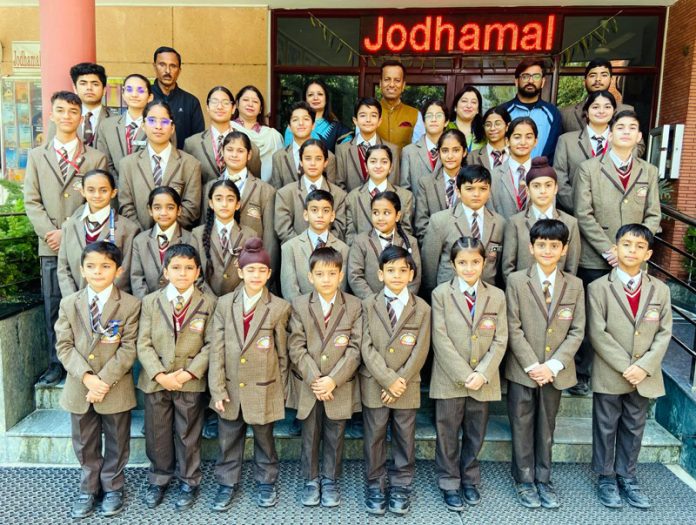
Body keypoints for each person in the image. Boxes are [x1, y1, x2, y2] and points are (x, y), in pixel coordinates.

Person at [572, 110, 661, 396]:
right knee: (592, 318)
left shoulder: (649, 172)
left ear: (638, 137)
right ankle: (583, 373)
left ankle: (628, 368)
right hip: (597, 255)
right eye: (619, 127)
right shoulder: (588, 168)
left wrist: (634, 247)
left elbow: (653, 215)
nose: (625, 131)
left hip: (634, 258)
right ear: (609, 135)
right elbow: (583, 214)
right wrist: (610, 249)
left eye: (631, 128)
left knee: (628, 318)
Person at [24, 90, 108, 386]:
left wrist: (69, 229)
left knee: (89, 303)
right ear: (52, 115)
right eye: (61, 111)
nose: (66, 117)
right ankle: (55, 363)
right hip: (49, 245)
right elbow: (31, 200)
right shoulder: (37, 156)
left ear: (81, 117)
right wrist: (50, 232)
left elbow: (98, 198)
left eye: (73, 112)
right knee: (54, 304)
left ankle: (88, 359)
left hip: (85, 244)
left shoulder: (95, 157)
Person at [588, 224, 672, 510]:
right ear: (615, 248)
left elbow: (664, 333)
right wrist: (626, 365)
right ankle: (605, 477)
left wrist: (644, 366)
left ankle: (627, 475)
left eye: (639, 246)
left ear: (648, 253)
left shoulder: (660, 290)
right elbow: (597, 332)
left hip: (644, 374)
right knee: (605, 424)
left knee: (635, 425)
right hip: (612, 370)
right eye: (626, 244)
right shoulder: (599, 288)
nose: (632, 250)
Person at [55, 242, 140, 519]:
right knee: (84, 441)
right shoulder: (69, 304)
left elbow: (129, 348)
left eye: (105, 266)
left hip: (114, 387)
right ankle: (89, 488)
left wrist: (103, 381)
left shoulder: (130, 304)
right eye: (90, 266)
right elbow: (64, 347)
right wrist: (89, 378)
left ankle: (113, 487)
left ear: (118, 270)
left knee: (117, 439)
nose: (97, 271)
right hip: (80, 386)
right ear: (81, 269)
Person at [505, 219, 585, 509]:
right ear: (531, 247)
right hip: (523, 370)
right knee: (522, 423)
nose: (548, 250)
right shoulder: (516, 281)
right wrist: (532, 365)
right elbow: (512, 327)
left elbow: (577, 330)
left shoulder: (574, 285)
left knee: (546, 426)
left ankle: (544, 478)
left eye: (554, 245)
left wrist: (553, 365)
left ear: (564, 249)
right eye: (542, 245)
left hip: (555, 372)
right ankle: (524, 479)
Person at [208, 238, 291, 510]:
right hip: (230, 387)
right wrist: (218, 389)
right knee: (228, 438)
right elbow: (217, 349)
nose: (256, 275)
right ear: (240, 272)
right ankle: (226, 482)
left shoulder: (278, 307)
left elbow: (282, 354)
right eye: (250, 270)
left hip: (263, 386)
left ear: (269, 274)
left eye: (261, 271)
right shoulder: (224, 304)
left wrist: (280, 391)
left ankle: (266, 480)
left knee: (264, 438)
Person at [430, 237, 507, 511]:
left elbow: (500, 339)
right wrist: (465, 374)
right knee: (448, 432)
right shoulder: (440, 294)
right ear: (453, 264)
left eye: (475, 262)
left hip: (483, 380)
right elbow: (440, 338)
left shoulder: (496, 295)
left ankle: (469, 478)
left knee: (476, 432)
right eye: (462, 262)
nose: (469, 267)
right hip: (450, 378)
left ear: (484, 262)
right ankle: (449, 481)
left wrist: (483, 373)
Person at [137, 243, 215, 511]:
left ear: (198, 272)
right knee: (157, 433)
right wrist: (159, 374)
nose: (182, 273)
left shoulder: (209, 303)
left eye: (189, 268)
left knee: (188, 433)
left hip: (189, 380)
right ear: (165, 271)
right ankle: (159, 479)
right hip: (156, 381)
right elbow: (143, 343)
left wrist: (188, 373)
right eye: (176, 268)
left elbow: (211, 344)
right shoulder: (150, 302)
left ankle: (189, 480)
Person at [288, 247, 363, 508]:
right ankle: (310, 479)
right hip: (310, 384)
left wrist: (333, 380)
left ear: (341, 275)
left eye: (332, 273)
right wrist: (316, 379)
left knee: (335, 434)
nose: (326, 279)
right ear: (310, 277)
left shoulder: (354, 306)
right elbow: (296, 347)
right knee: (310, 433)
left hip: (339, 385)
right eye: (320, 274)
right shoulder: (299, 305)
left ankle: (330, 479)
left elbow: (355, 348)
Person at [361, 246, 431, 516]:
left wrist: (400, 380)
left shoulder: (421, 308)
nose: (397, 275)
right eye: (390, 270)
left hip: (407, 385)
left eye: (403, 270)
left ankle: (401, 484)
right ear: (380, 274)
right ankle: (375, 483)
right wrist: (388, 379)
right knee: (375, 435)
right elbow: (366, 346)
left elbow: (420, 349)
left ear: (412, 274)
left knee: (404, 436)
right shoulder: (368, 305)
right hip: (375, 383)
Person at [421, 165, 505, 298]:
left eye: (483, 189)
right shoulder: (440, 221)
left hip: (486, 297)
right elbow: (429, 268)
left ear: (489, 191)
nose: (476, 194)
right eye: (469, 189)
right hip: (449, 296)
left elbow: (498, 264)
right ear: (458, 191)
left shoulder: (500, 223)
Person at [200, 132, 278, 275]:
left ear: (249, 155)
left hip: (252, 271)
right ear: (222, 152)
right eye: (230, 150)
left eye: (240, 151)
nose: (234, 155)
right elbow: (204, 228)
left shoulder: (265, 190)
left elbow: (270, 240)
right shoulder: (208, 188)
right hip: (215, 270)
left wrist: (266, 277)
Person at [118, 100, 202, 230]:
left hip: (177, 240)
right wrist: (145, 237)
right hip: (139, 239)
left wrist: (165, 231)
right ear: (143, 126)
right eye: (152, 121)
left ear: (172, 128)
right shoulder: (127, 164)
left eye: (164, 121)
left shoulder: (190, 164)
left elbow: (192, 208)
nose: (158, 126)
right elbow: (126, 206)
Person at [57, 169, 139, 296]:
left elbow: (126, 270)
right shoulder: (69, 226)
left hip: (113, 302)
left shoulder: (128, 229)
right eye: (91, 190)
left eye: (103, 190)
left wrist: (106, 298)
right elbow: (63, 268)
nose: (97, 195)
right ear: (82, 191)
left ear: (113, 193)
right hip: (76, 302)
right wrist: (73, 300)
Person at [502, 157, 580, 282]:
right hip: (523, 293)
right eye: (536, 186)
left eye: (548, 185)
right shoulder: (516, 222)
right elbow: (508, 268)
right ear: (527, 190)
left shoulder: (570, 222)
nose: (543, 191)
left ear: (555, 189)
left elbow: (571, 267)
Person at [347, 191, 420, 299]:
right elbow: (355, 276)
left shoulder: (410, 242)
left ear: (397, 216)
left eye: (386, 213)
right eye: (376, 213)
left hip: (402, 305)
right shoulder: (361, 241)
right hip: (371, 305)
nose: (380, 218)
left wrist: (401, 300)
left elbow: (415, 278)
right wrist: (374, 302)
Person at [280, 189, 349, 301]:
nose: (320, 215)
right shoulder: (290, 248)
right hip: (301, 313)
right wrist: (304, 311)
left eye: (326, 211)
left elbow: (341, 287)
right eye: (314, 210)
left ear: (332, 216)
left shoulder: (343, 249)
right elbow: (290, 290)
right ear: (306, 214)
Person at [183, 86, 261, 184]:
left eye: (225, 103)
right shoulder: (192, 144)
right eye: (214, 102)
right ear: (207, 107)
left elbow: (254, 184)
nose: (220, 107)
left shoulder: (249, 146)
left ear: (233, 108)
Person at [554, 90, 616, 213]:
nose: (601, 111)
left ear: (614, 111)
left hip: (611, 214)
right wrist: (580, 207)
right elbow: (559, 179)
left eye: (607, 107)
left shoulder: (623, 142)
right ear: (586, 112)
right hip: (575, 213)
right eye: (595, 107)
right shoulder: (566, 140)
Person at [192, 180, 256, 297]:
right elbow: (194, 272)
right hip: (206, 300)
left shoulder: (250, 235)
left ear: (237, 204)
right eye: (219, 199)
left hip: (238, 300)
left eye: (230, 199)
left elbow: (253, 271)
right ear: (211, 203)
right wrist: (211, 299)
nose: (224, 204)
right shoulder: (197, 234)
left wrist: (232, 299)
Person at [275, 139, 347, 243]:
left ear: (326, 162)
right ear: (301, 161)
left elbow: (339, 229)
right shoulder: (285, 194)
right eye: (307, 158)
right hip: (296, 254)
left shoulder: (339, 195)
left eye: (318, 159)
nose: (313, 163)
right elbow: (283, 229)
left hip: (328, 254)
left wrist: (320, 246)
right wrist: (304, 247)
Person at [130, 186, 192, 299]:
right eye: (157, 208)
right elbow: (137, 278)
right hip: (148, 306)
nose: (163, 212)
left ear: (179, 210)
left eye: (170, 207)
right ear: (150, 210)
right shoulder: (140, 241)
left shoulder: (190, 239)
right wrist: (147, 305)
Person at [346, 145, 413, 245]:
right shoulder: (352, 197)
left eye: (384, 162)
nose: (378, 166)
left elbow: (405, 232)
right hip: (363, 256)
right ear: (366, 166)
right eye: (373, 161)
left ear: (390, 167)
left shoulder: (405, 196)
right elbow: (350, 235)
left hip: (394, 256)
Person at [499, 59, 562, 162]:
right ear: (516, 81)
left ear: (543, 82)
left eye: (536, 76)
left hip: (541, 175)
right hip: (507, 174)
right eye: (525, 76)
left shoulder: (553, 113)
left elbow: (554, 149)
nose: (531, 81)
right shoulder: (503, 111)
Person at [414, 129, 469, 243]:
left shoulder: (472, 182)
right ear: (438, 153)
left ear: (464, 152)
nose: (450, 156)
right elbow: (421, 224)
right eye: (445, 151)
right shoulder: (426, 183)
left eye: (456, 150)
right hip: (434, 247)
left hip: (466, 249)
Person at [96, 73, 156, 177]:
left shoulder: (159, 126)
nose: (134, 94)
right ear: (123, 94)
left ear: (150, 97)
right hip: (115, 188)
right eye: (129, 89)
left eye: (141, 90)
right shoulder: (107, 126)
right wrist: (119, 186)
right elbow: (104, 162)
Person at [336, 97, 400, 192]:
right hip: (352, 205)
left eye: (373, 115)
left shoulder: (393, 150)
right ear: (355, 120)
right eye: (363, 115)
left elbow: (393, 185)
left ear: (379, 121)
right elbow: (339, 185)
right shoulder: (343, 149)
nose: (368, 120)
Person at [560, 58, 636, 133]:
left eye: (604, 75)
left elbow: (638, 145)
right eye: (592, 75)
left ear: (611, 80)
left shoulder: (626, 110)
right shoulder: (566, 114)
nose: (598, 79)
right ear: (584, 81)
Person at [272, 101, 337, 188]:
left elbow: (331, 190)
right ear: (289, 127)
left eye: (306, 119)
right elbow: (277, 191)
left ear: (313, 125)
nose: (301, 123)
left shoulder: (329, 156)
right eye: (295, 120)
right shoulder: (278, 157)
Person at [46, 63, 112, 147]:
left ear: (104, 90)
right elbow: (49, 151)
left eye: (95, 84)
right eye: (83, 83)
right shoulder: (61, 118)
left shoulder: (114, 120)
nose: (89, 88)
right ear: (75, 88)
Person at [151, 46, 205, 149]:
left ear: (179, 70)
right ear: (154, 66)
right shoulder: (145, 97)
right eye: (162, 65)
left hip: (182, 162)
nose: (167, 70)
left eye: (173, 66)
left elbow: (197, 141)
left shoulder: (191, 102)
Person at [231, 85, 284, 183]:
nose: (250, 104)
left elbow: (279, 169)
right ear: (237, 104)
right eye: (246, 100)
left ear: (260, 109)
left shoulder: (273, 135)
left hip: (264, 191)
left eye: (255, 101)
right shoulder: (228, 129)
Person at [283, 79, 352, 152]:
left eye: (320, 94)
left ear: (326, 98)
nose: (315, 98)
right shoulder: (294, 126)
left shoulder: (339, 130)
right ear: (305, 99)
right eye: (310, 95)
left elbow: (345, 158)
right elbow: (288, 158)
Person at [490, 117, 538, 219]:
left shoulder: (544, 175)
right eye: (517, 137)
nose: (523, 142)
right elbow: (490, 216)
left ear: (535, 142)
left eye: (529, 137)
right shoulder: (493, 176)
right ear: (507, 141)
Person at [400, 99, 448, 194]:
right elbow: (405, 190)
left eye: (438, 115)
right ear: (423, 121)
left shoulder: (454, 150)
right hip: (417, 208)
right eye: (429, 116)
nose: (433, 119)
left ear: (446, 122)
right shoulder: (409, 151)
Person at [376, 60, 425, 148]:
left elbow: (419, 150)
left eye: (397, 80)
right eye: (387, 79)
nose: (391, 84)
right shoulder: (368, 113)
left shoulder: (415, 115)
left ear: (403, 85)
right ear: (380, 83)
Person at [469, 107, 511, 172]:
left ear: (507, 126)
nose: (492, 128)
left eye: (497, 124)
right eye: (488, 125)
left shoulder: (516, 154)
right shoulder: (472, 156)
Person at [448, 86, 486, 152]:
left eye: (473, 102)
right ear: (455, 107)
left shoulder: (485, 133)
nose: (469, 106)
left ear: (478, 110)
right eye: (464, 101)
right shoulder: (445, 128)